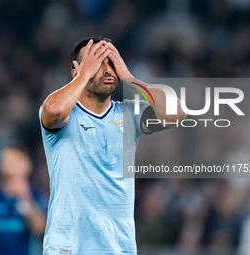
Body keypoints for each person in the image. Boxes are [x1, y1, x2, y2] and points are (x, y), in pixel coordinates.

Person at [39, 36, 186, 254]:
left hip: (118, 247)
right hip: (68, 246)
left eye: (111, 62)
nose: (108, 70)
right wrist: (85, 75)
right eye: (98, 63)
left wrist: (129, 77)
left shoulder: (129, 114)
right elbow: (54, 110)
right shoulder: (65, 115)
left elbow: (177, 113)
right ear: (76, 72)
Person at [0, 145, 47, 255]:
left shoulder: (36, 196)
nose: (11, 164)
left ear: (27, 164)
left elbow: (39, 227)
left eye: (16, 159)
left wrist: (25, 197)